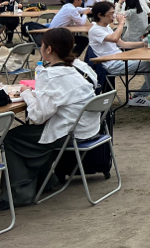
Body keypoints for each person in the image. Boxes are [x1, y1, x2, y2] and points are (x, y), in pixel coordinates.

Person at [1, 28, 102, 206]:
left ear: (48, 50)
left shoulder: (50, 75)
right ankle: (46, 181)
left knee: (12, 138)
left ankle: (18, 194)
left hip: (70, 132)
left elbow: (38, 117)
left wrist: (26, 94)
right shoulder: (80, 67)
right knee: (31, 135)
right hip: (90, 126)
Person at [87, 1, 150, 108]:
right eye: (111, 13)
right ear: (100, 15)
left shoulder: (106, 27)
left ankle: (138, 96)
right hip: (112, 65)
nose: (114, 16)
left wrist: (144, 43)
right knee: (148, 66)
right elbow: (115, 38)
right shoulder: (95, 30)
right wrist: (121, 23)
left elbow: (122, 44)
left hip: (120, 60)